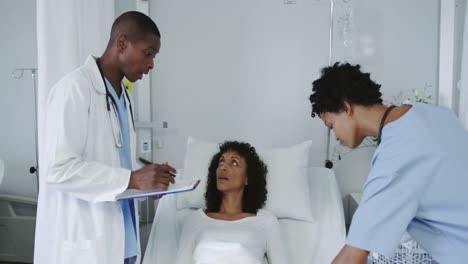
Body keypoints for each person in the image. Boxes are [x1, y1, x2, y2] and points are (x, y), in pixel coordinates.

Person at [34, 11, 176, 264]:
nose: (152, 64)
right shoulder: (74, 89)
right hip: (87, 241)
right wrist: (132, 178)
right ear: (122, 43)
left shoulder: (124, 98)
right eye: (148, 53)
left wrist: (145, 184)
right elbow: (58, 169)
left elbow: (115, 167)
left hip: (123, 240)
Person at [308, 62, 468, 264]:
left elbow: (352, 257)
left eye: (331, 125)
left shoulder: (395, 161)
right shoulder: (434, 114)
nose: (336, 136)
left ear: (345, 108)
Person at [175, 141, 287, 264]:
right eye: (221, 162)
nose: (223, 167)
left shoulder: (266, 221)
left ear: (247, 178)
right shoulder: (194, 220)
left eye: (234, 162)